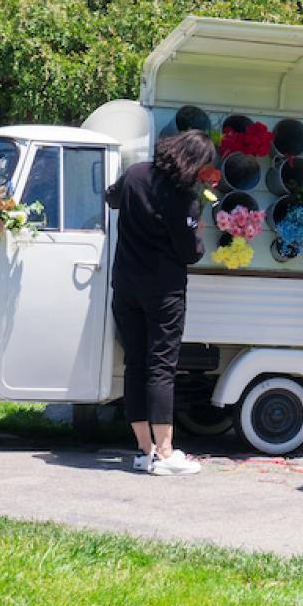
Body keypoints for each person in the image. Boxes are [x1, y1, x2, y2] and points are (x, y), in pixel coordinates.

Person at [103, 130, 214, 477]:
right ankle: (165, 453)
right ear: (192, 163)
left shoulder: (136, 173)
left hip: (125, 286)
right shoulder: (184, 199)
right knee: (161, 367)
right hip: (163, 292)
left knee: (136, 364)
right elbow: (190, 253)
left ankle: (143, 451)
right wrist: (198, 228)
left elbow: (111, 198)